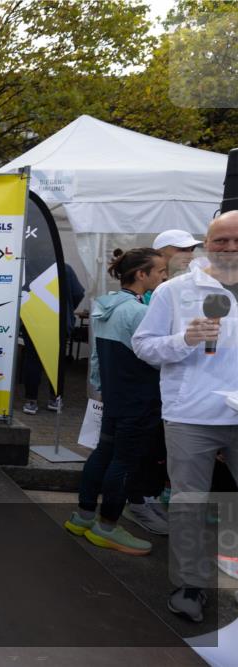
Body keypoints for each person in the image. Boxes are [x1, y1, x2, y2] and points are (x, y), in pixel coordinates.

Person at [133, 210, 238, 622]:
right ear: (207, 243)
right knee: (190, 502)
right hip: (192, 412)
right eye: (221, 240)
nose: (229, 247)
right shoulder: (174, 291)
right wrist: (185, 339)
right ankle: (192, 584)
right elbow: (144, 345)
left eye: (237, 240)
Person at [64, 248, 168, 555]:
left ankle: (82, 518)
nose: (165, 277)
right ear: (141, 274)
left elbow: (97, 357)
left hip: (114, 396)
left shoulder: (106, 305)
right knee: (125, 461)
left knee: (104, 453)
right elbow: (160, 356)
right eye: (161, 272)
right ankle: (107, 527)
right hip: (138, 399)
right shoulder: (139, 312)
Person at [21, 262, 85, 415]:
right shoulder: (64, 267)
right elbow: (78, 293)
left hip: (33, 321)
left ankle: (31, 401)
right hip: (58, 322)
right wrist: (67, 309)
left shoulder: (27, 266)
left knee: (32, 360)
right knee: (56, 362)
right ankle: (55, 399)